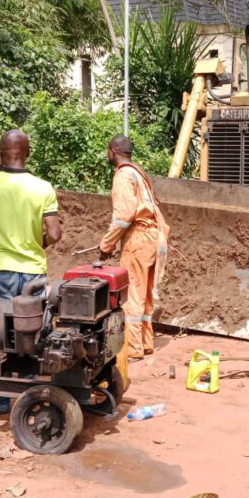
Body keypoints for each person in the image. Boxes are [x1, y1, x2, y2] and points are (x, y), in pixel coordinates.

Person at [0, 129, 61, 413]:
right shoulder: (43, 187)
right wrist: (37, 242)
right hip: (32, 269)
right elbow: (55, 234)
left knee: (1, 333)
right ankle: (29, 395)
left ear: (0, 154)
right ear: (28, 153)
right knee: (32, 332)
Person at [98, 134, 170, 360]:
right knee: (145, 293)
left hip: (138, 239)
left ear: (112, 151)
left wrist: (106, 244)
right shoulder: (138, 173)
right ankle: (146, 343)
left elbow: (123, 216)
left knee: (132, 294)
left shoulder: (123, 176)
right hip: (153, 237)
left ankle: (133, 348)